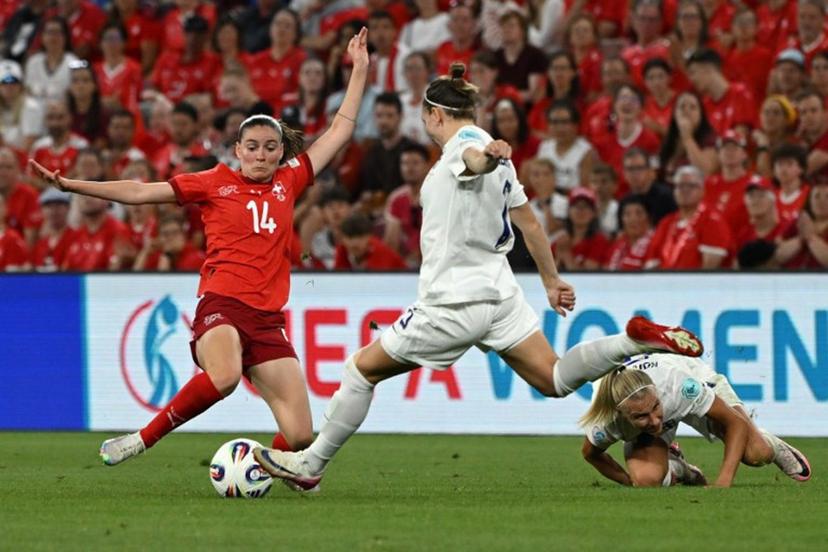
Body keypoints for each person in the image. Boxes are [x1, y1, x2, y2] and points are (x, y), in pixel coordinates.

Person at [252, 63, 706, 491]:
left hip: (453, 302)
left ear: (434, 115)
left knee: (360, 370)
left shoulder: (464, 146)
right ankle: (632, 341)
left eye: (425, 116)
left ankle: (311, 465)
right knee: (553, 378)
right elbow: (528, 222)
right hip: (501, 295)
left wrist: (486, 156)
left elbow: (472, 161)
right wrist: (550, 280)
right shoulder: (498, 157)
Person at [29, 28, 372, 468]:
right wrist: (72, 184)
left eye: (271, 148)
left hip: (267, 320)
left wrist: (359, 70)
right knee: (225, 376)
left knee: (301, 435)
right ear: (237, 151)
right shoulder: (214, 182)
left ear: (280, 151)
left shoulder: (291, 180)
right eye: (253, 147)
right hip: (222, 305)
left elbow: (339, 131)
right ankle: (143, 438)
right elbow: (138, 191)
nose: (262, 155)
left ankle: (254, 470)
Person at [580, 352, 812, 487]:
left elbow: (734, 423)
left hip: (694, 382)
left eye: (654, 408)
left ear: (657, 395)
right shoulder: (606, 418)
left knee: (755, 453)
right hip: (659, 404)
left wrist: (723, 481)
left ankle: (770, 443)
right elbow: (591, 454)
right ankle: (681, 469)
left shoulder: (680, 385)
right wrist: (629, 481)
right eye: (640, 416)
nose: (654, 421)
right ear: (621, 414)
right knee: (646, 481)